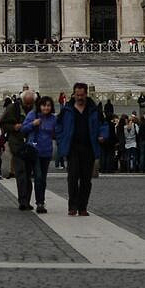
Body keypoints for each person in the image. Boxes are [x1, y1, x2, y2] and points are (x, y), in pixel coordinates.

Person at [53, 83, 108, 215]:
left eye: (82, 95)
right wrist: (61, 141)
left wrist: (103, 135)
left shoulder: (94, 109)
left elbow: (104, 124)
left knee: (85, 179)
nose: (79, 97)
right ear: (74, 94)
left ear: (86, 94)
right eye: (77, 95)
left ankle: (82, 207)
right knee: (72, 177)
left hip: (89, 147)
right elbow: (58, 126)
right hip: (72, 148)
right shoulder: (67, 109)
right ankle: (72, 206)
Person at [19, 96, 57, 212]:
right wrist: (33, 124)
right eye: (44, 105)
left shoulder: (53, 119)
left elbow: (56, 133)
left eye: (49, 105)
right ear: (40, 106)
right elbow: (23, 129)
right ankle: (39, 203)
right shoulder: (32, 115)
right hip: (34, 151)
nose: (46, 108)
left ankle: (41, 201)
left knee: (43, 179)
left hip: (46, 151)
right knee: (38, 177)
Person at [0, 88, 36, 210]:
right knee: (21, 172)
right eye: (27, 103)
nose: (29, 105)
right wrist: (14, 127)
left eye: (31, 103)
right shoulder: (12, 108)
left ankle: (27, 200)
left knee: (28, 173)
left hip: (31, 144)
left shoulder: (35, 108)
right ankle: (23, 201)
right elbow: (3, 123)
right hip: (17, 144)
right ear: (22, 100)